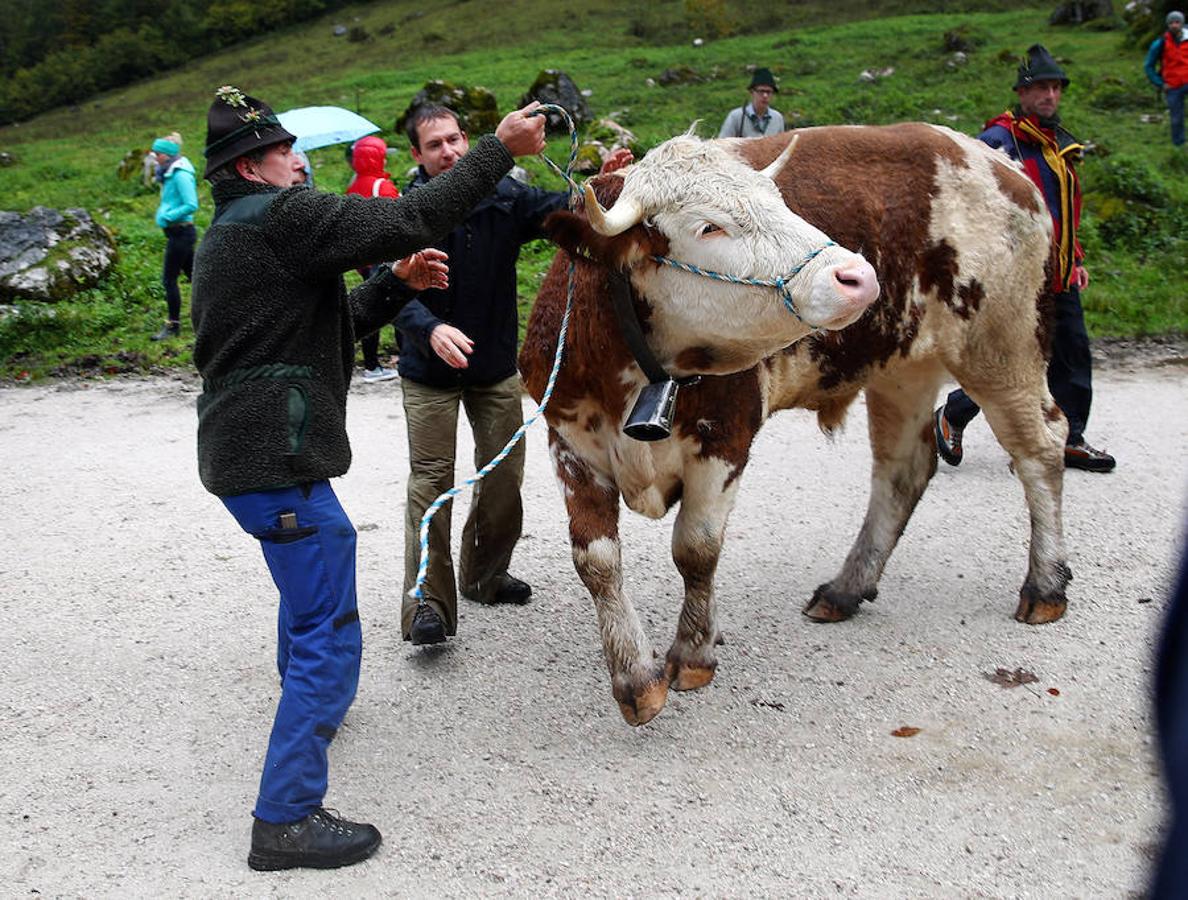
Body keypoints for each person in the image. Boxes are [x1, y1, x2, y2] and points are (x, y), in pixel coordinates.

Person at [189, 84, 545, 871]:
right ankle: (284, 820)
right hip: (275, 459)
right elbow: (410, 217)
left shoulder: (232, 235)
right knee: (328, 626)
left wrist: (396, 286)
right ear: (254, 165)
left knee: (310, 585)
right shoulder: (283, 217)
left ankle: (311, 704)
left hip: (248, 459)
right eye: (287, 152)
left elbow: (329, 328)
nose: (301, 162)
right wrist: (497, 151)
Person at [396, 104, 631, 646]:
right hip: (428, 372)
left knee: (503, 477)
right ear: (417, 155)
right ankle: (426, 607)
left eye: (455, 139)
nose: (449, 151)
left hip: (494, 367)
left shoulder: (503, 197)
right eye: (435, 145)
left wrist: (606, 186)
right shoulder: (406, 210)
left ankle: (484, 574)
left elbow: (563, 209)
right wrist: (429, 328)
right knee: (431, 484)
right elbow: (388, 288)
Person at [934, 44, 1116, 473]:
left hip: (1060, 269)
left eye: (1055, 88)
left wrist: (1076, 256)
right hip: (1017, 272)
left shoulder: (1058, 144)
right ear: (1022, 92)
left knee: (1072, 352)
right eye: (1040, 89)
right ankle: (952, 415)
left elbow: (1062, 209)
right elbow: (971, 199)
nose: (1050, 96)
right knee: (1007, 359)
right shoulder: (999, 140)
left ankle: (1069, 438)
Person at [345, 135, 401, 383]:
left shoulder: (353, 184)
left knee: (370, 306)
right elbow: (400, 218)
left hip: (362, 257)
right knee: (398, 304)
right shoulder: (382, 186)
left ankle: (370, 365)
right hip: (384, 255)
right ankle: (404, 358)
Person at [149, 133, 199, 341]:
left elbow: (191, 204)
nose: (154, 157)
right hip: (177, 233)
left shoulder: (180, 174)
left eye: (157, 153)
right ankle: (213, 317)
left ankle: (173, 325)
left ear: (167, 155)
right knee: (197, 278)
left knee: (169, 280)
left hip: (181, 233)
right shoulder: (168, 172)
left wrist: (167, 216)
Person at [1145, 10, 1188, 149]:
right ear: (1167, 25)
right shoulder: (1161, 43)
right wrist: (1160, 83)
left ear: (1182, 23)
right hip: (1172, 85)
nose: (1174, 25)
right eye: (1171, 23)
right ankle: (1179, 147)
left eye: (1177, 22)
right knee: (1176, 118)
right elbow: (1149, 66)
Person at [718, 67, 785, 138]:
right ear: (752, 92)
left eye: (769, 92)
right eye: (761, 91)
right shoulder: (736, 116)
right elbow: (723, 143)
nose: (765, 96)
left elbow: (781, 145)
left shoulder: (777, 118)